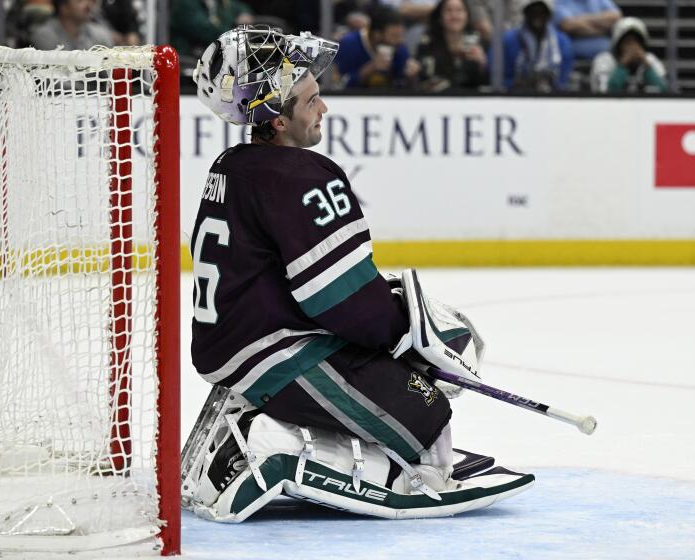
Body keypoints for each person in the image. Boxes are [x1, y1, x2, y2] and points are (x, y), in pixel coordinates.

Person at [183, 25, 533, 521]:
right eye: (310, 101)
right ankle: (270, 446)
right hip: (279, 354)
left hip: (233, 346)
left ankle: (253, 418)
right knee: (427, 415)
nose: (323, 108)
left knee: (409, 391)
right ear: (278, 121)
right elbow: (339, 300)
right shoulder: (302, 177)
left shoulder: (231, 165)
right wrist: (406, 336)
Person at [335, 7, 421, 88]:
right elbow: (339, 85)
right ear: (377, 35)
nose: (400, 41)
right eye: (394, 36)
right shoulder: (349, 45)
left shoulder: (399, 47)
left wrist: (412, 76)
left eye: (401, 35)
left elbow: (401, 85)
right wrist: (369, 69)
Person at [416, 0, 489, 91]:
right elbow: (422, 81)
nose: (454, 15)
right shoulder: (427, 44)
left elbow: (486, 85)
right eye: (449, 10)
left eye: (459, 10)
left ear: (467, 15)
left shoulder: (478, 43)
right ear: (440, 17)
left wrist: (482, 64)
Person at [502, 0, 573, 91]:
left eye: (542, 12)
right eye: (533, 11)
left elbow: (562, 81)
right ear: (526, 13)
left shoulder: (562, 42)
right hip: (516, 96)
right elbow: (503, 79)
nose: (537, 16)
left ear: (548, 15)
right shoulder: (509, 40)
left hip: (552, 97)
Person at [590, 17, 667, 93]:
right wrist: (623, 65)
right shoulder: (604, 60)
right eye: (627, 42)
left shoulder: (650, 59)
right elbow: (606, 93)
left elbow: (663, 91)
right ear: (618, 44)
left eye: (636, 42)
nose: (633, 47)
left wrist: (647, 66)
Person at [169, 0, 252, 63]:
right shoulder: (186, 3)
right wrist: (233, 32)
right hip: (187, 57)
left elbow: (237, 7)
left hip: (210, 54)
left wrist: (244, 12)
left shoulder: (217, 2)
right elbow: (203, 30)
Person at [30, 0, 114, 50]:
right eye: (80, 1)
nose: (88, 5)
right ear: (63, 7)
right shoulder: (44, 36)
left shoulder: (100, 34)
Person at [554, 0, 621, 60]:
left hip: (609, 57)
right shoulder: (560, 1)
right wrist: (603, 29)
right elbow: (568, 25)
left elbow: (616, 17)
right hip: (574, 60)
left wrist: (581, 19)